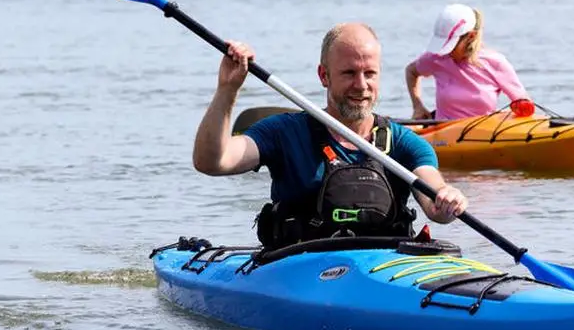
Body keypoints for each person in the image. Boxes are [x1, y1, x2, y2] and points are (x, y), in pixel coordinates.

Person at [191, 22, 469, 250]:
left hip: (382, 273)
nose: (361, 85)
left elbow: (436, 208)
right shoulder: (282, 132)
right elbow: (213, 162)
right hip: (299, 273)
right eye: (349, 73)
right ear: (324, 75)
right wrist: (227, 89)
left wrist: (448, 199)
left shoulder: (404, 143)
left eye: (369, 73)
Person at [404, 3, 532, 121]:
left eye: (451, 45)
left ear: (471, 36)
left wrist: (521, 105)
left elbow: (521, 99)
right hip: (444, 134)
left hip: (484, 134)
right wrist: (418, 106)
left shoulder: (495, 62)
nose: (446, 51)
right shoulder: (436, 58)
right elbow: (411, 71)